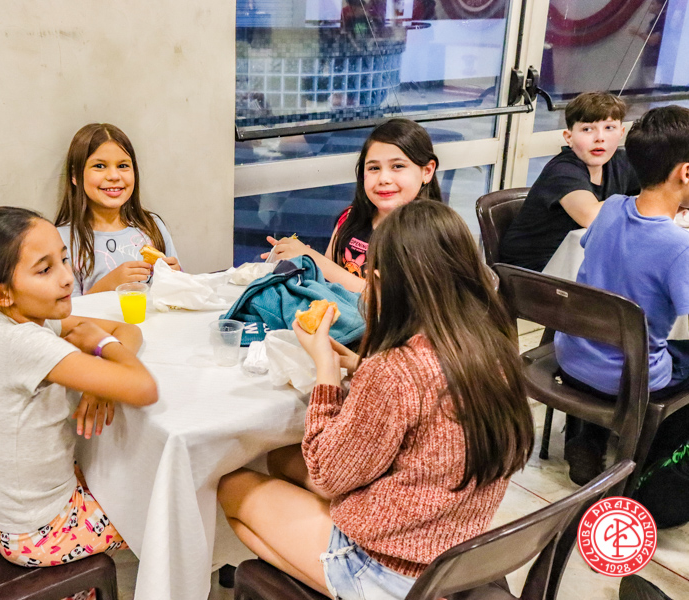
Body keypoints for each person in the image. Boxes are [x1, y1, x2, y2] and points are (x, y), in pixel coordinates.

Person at [220, 201, 534, 600]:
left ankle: (343, 585)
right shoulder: (494, 345)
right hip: (452, 541)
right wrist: (359, 365)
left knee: (232, 486)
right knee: (280, 460)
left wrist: (325, 368)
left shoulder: (395, 369)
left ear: (381, 282)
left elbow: (327, 474)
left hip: (394, 569)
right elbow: (424, 396)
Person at [0, 207, 158, 600]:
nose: (67, 277)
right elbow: (143, 387)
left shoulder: (18, 320)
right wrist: (101, 350)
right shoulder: (25, 343)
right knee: (165, 507)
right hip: (36, 531)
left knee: (129, 473)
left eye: (64, 259)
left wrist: (100, 383)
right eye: (45, 269)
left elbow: (128, 330)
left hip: (11, 516)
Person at [555, 106, 689, 488]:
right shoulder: (679, 247)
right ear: (685, 172)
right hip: (630, 380)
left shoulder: (611, 207)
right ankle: (655, 460)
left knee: (630, 335)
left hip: (573, 358)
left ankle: (588, 437)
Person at [262, 118, 441, 293]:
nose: (384, 179)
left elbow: (389, 302)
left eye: (398, 166)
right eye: (374, 168)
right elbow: (326, 279)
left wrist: (315, 260)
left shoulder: (431, 234)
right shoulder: (349, 218)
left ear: (427, 171)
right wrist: (301, 259)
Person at [500, 91, 640, 271]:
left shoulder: (621, 162)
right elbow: (590, 216)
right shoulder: (562, 170)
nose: (600, 137)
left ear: (621, 132)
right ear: (569, 137)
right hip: (532, 273)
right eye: (587, 129)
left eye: (609, 128)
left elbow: (662, 185)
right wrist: (646, 201)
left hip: (578, 262)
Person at [55, 123, 180, 295]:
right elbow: (66, 309)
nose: (114, 176)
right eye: (99, 166)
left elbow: (179, 295)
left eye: (122, 166)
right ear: (75, 175)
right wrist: (108, 285)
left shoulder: (152, 226)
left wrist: (177, 279)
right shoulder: (61, 240)